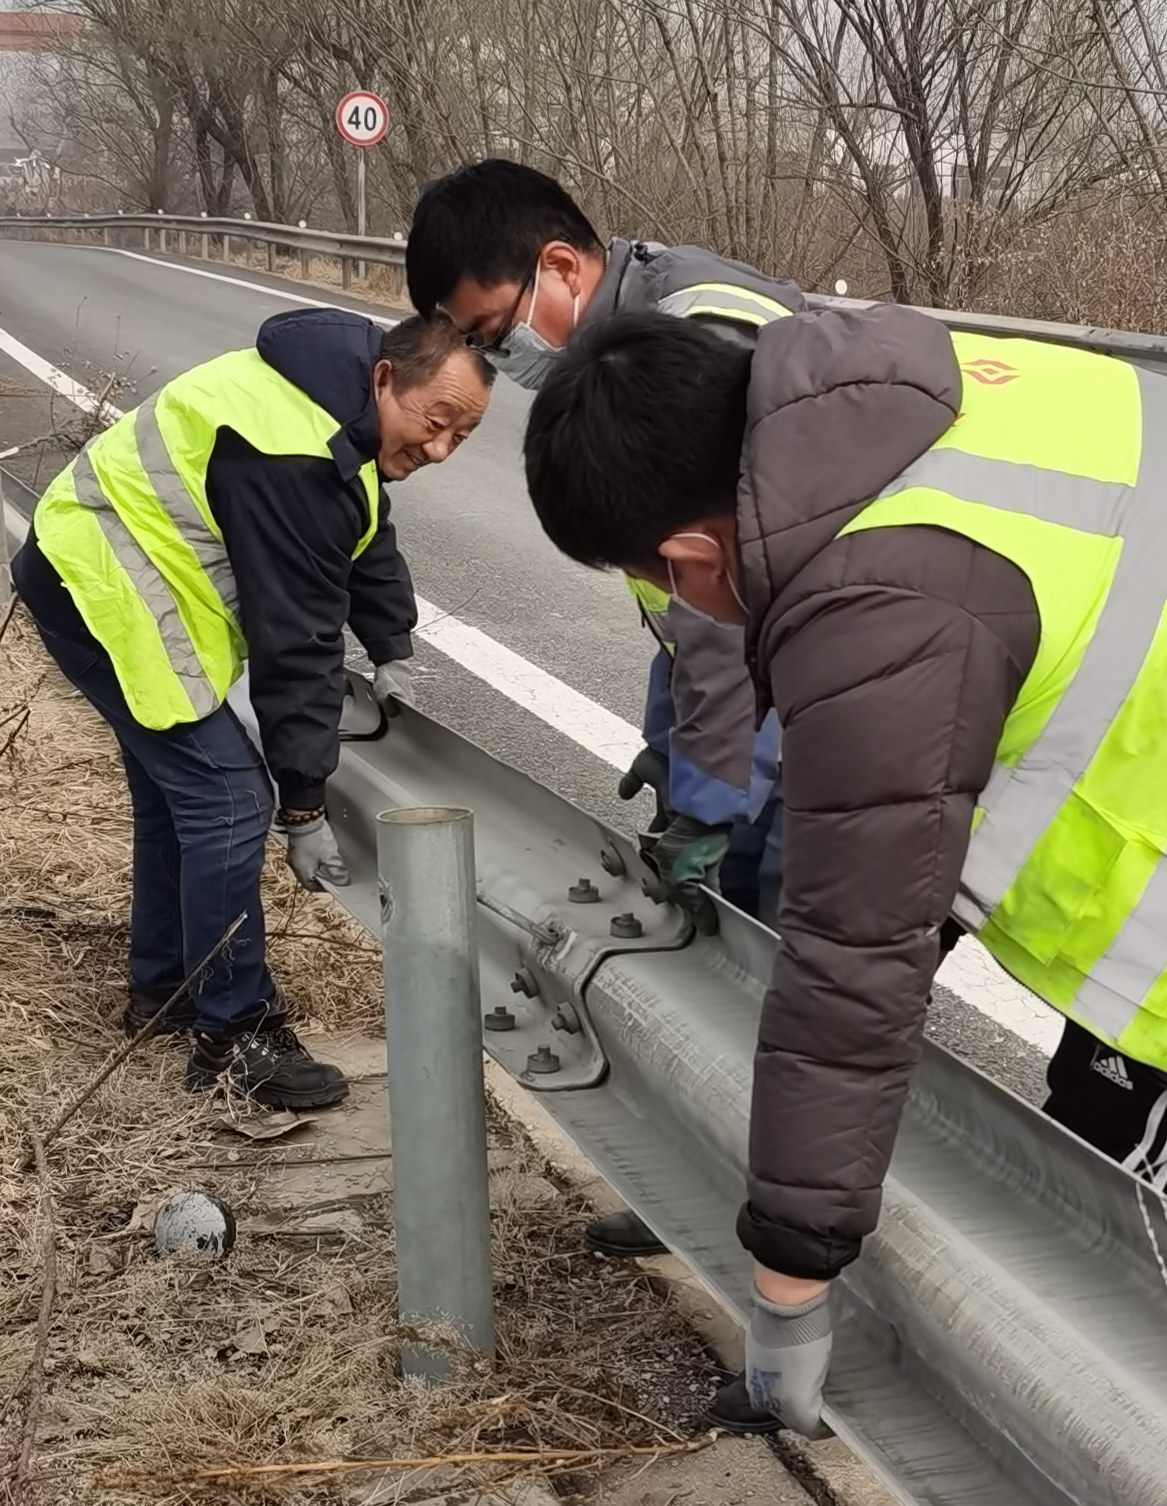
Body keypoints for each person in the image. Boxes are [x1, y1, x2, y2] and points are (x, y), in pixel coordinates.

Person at [519, 307, 1167, 1437]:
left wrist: (790, 1289)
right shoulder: (888, 395)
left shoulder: (875, 595)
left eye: (664, 589)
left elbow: (857, 954)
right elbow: (904, 870)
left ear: (687, 557)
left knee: (1126, 1266)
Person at [406, 157, 804, 1259]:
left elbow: (724, 598)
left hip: (825, 682)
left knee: (789, 959)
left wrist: (710, 794)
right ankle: (714, 1191)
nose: (494, 359)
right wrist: (671, 743)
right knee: (736, 946)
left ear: (559, 266)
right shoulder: (626, 345)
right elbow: (677, 599)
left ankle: (789, 1223)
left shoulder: (700, 334)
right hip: (772, 682)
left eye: (492, 330)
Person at [10, 310, 491, 1109]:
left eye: (460, 437)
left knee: (179, 800)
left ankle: (166, 990)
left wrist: (391, 643)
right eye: (434, 423)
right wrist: (301, 807)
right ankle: (233, 1037)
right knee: (230, 800)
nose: (439, 449)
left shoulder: (335, 402)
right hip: (103, 587)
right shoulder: (292, 456)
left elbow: (363, 527)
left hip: (86, 563)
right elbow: (295, 640)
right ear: (384, 379)